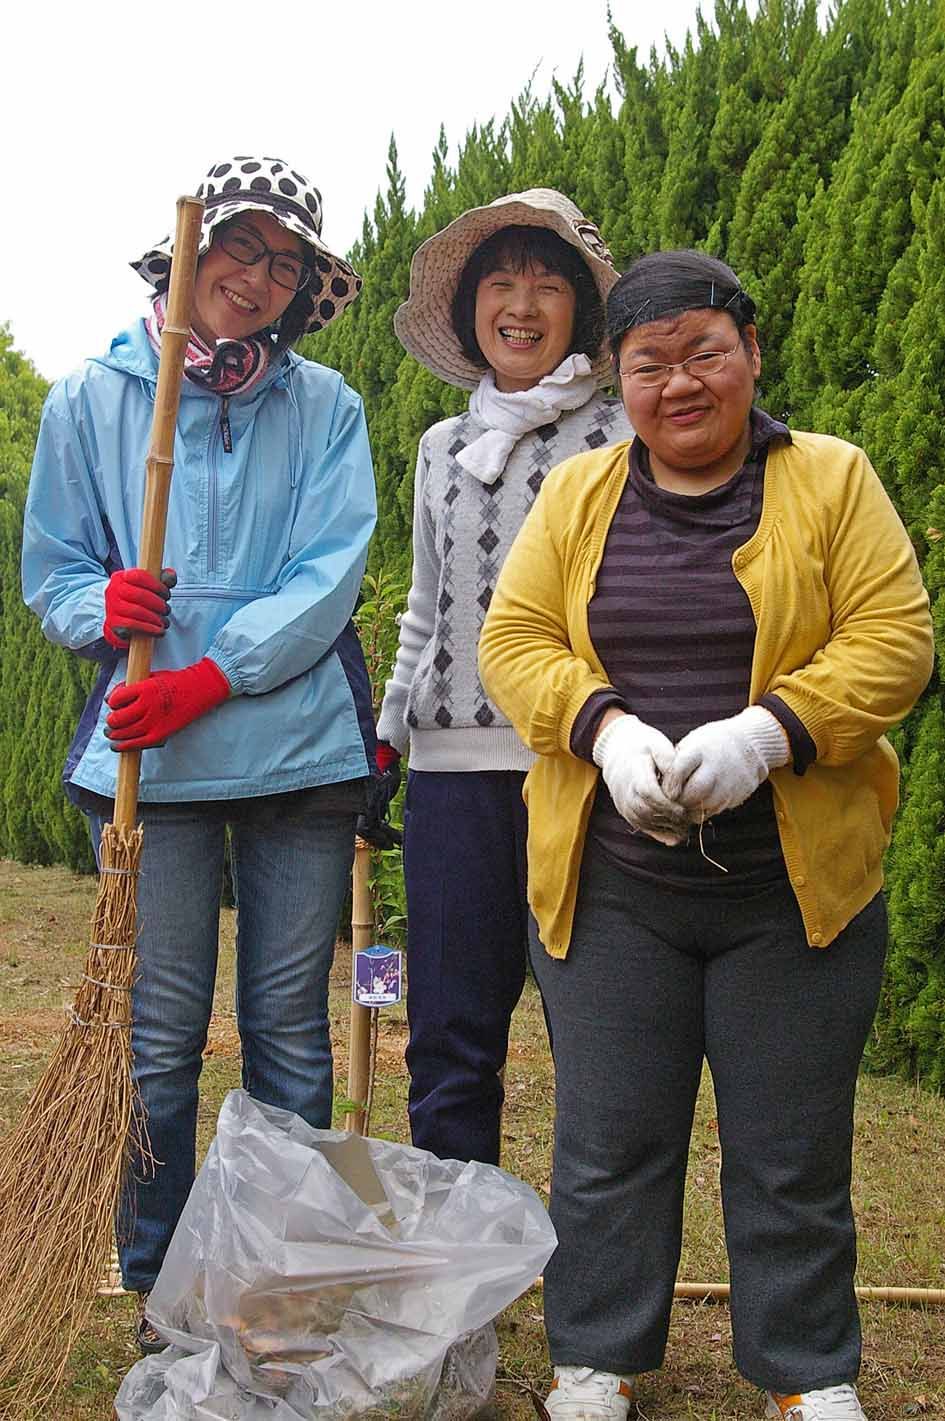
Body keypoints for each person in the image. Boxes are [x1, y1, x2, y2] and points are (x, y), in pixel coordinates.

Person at [479, 249, 934, 1421]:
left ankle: (806, 1369)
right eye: (650, 362)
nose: (681, 381)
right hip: (616, 881)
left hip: (794, 889)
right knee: (609, 1141)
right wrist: (606, 729)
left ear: (750, 356)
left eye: (705, 352)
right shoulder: (579, 495)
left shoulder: (833, 479)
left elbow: (895, 638)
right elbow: (515, 639)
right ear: (617, 381)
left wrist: (770, 734)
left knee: (792, 1149)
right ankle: (600, 1354)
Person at [22, 156, 378, 1353]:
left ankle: (278, 1275)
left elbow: (329, 575)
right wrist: (101, 607)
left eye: (288, 263)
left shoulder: (326, 406)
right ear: (190, 249)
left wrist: (210, 674)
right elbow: (56, 568)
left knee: (287, 1023)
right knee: (158, 1026)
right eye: (244, 247)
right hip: (148, 764)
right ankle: (157, 1272)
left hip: (297, 750)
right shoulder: (92, 396)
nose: (261, 277)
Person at [375, 190, 630, 1166]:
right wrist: (387, 740)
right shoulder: (441, 448)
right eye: (500, 283)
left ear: (580, 312)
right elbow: (424, 609)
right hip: (450, 781)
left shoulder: (618, 439)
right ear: (470, 309)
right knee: (448, 1034)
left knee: (596, 1036)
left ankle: (595, 1284)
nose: (521, 304)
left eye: (547, 285)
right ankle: (455, 1283)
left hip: (582, 768)